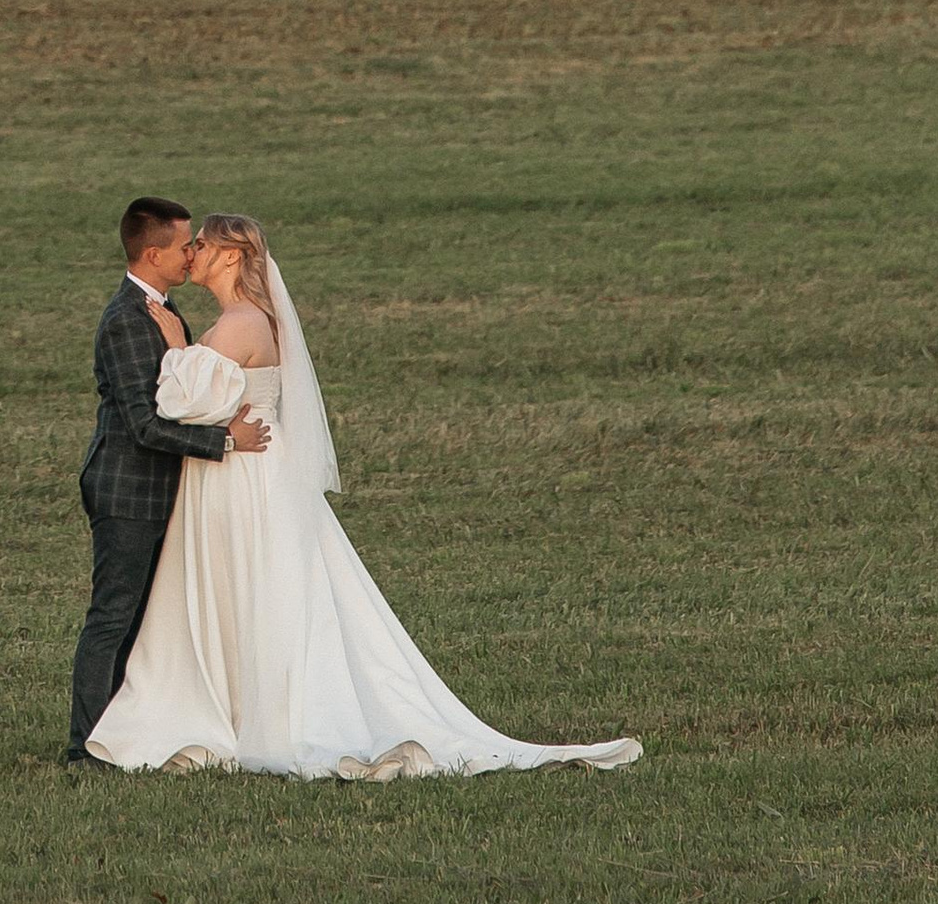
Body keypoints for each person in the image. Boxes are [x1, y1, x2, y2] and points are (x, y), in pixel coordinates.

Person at [83, 212, 640, 780]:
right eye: (190, 243)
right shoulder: (238, 319)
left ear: (231, 256)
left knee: (256, 589)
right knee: (246, 591)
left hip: (244, 474)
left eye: (202, 243)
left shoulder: (241, 323)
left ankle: (264, 714)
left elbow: (183, 402)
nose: (193, 251)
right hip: (235, 469)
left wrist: (178, 350)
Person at [66, 196, 271, 763]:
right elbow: (143, 425)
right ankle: (85, 747)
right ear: (154, 254)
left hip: (169, 492)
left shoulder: (164, 310)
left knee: (144, 624)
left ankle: (127, 733)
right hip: (129, 491)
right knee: (114, 618)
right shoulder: (128, 321)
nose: (192, 254)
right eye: (185, 246)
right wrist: (225, 441)